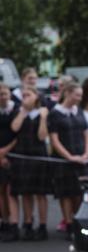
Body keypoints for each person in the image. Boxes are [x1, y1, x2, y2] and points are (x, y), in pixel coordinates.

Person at [5, 85, 50, 241]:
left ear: (36, 97)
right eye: (23, 96)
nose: (25, 98)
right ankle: (28, 223)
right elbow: (14, 128)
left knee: (40, 193)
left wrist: (43, 117)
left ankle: (43, 226)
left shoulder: (42, 113)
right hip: (22, 156)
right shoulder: (19, 112)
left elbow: (42, 136)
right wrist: (23, 113)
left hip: (38, 156)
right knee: (25, 193)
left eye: (28, 95)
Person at [47, 82, 88, 236]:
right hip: (64, 160)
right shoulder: (55, 113)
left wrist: (86, 153)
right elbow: (54, 139)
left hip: (81, 157)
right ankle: (68, 223)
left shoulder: (78, 111)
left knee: (79, 192)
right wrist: (69, 157)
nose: (79, 99)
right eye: (77, 95)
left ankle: (78, 221)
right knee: (65, 193)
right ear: (68, 94)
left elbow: (86, 134)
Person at [0, 83, 18, 236]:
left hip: (13, 154)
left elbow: (19, 134)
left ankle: (14, 222)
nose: (3, 97)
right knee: (1, 191)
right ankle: (4, 221)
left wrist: (6, 152)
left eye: (5, 94)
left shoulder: (16, 109)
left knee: (10, 191)